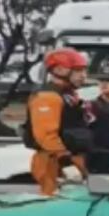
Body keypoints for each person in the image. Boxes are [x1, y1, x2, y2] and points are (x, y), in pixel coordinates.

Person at [24, 48, 93, 195]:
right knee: (55, 201)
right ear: (60, 70)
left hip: (72, 158)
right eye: (78, 71)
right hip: (54, 162)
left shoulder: (68, 95)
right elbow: (46, 136)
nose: (83, 76)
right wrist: (66, 163)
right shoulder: (47, 97)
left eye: (84, 71)